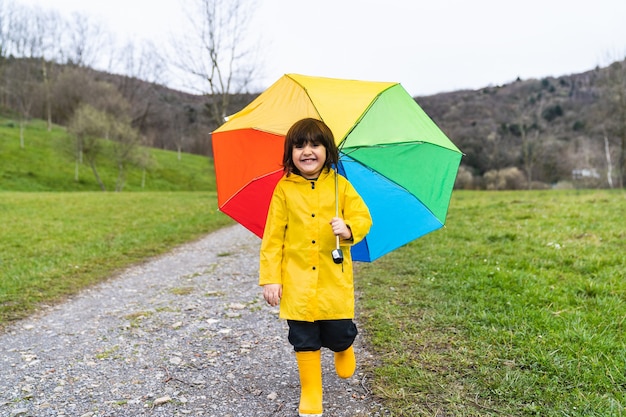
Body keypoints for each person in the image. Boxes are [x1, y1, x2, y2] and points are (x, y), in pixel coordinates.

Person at [259, 118, 372, 416]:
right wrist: (271, 278)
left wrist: (347, 229)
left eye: (315, 145)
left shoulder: (341, 186)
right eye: (299, 146)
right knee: (303, 337)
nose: (307, 152)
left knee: (338, 331)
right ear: (290, 153)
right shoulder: (284, 190)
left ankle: (343, 347)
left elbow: (363, 218)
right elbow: (272, 239)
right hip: (296, 281)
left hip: (333, 280)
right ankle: (311, 390)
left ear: (328, 150)